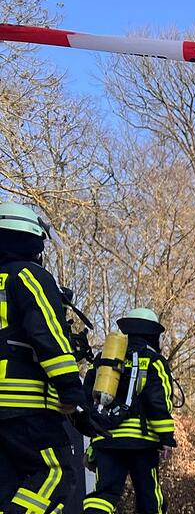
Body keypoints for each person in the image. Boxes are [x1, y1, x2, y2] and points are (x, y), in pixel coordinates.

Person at [0, 202, 84, 513]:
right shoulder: (29, 275)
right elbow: (48, 335)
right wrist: (71, 391)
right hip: (25, 405)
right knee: (55, 475)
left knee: (7, 487)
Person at [82, 308, 176, 514]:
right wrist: (166, 438)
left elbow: (86, 396)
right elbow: (158, 402)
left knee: (103, 494)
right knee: (149, 496)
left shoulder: (104, 358)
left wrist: (94, 434)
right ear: (152, 333)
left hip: (106, 439)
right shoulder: (154, 360)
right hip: (141, 442)